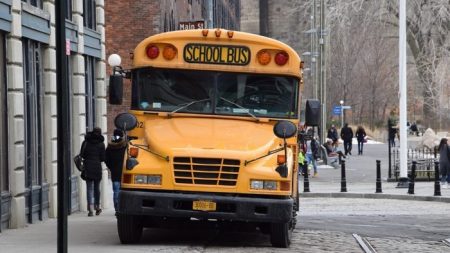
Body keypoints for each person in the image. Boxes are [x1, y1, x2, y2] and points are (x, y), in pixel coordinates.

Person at [81, 127, 105, 216]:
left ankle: (90, 209)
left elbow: (81, 155)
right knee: (96, 188)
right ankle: (97, 207)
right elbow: (103, 158)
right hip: (97, 167)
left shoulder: (86, 142)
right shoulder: (101, 144)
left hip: (87, 166)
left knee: (89, 188)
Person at [105, 129, 127, 214]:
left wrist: (112, 168)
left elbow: (106, 160)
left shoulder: (110, 147)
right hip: (125, 173)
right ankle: (122, 209)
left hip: (115, 173)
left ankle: (117, 210)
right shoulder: (125, 147)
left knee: (116, 192)